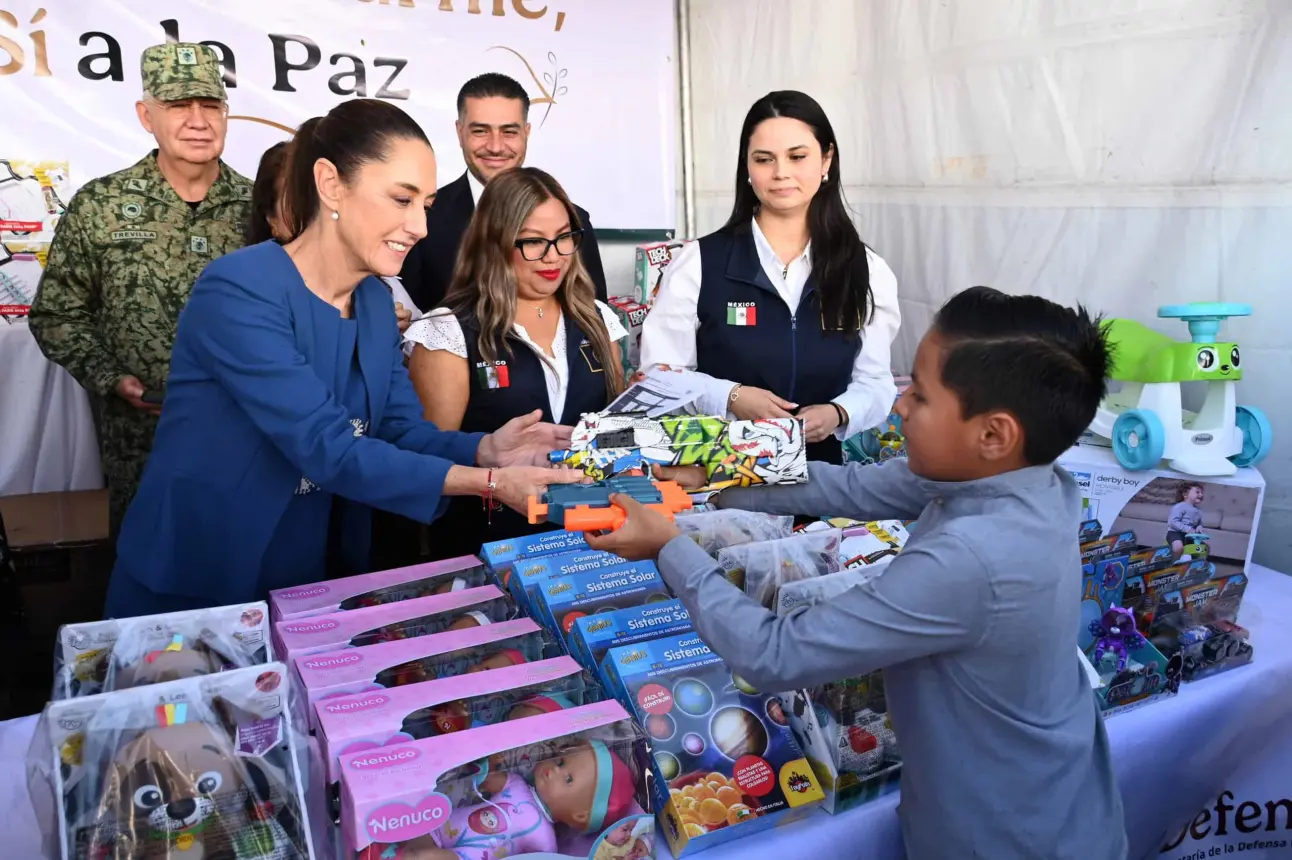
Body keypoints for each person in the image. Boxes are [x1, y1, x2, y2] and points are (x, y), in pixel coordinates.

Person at [590, 287, 1128, 860]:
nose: (899, 406)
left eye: (919, 395)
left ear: (993, 434)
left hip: (1006, 834)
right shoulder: (1032, 479)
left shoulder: (971, 558)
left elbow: (775, 655)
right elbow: (854, 486)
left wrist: (669, 546)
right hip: (1053, 794)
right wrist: (716, 476)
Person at [104, 98, 585, 619]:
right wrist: (491, 484)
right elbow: (327, 447)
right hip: (209, 570)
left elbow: (400, 429)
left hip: (315, 569)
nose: (420, 226)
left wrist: (487, 450)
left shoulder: (375, 299)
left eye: (424, 204)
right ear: (331, 183)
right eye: (401, 199)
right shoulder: (239, 289)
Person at [29, 43, 253, 537]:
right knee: (147, 586)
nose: (198, 120)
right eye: (178, 105)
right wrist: (112, 378)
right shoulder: (101, 204)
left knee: (247, 577)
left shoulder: (259, 207)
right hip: (141, 446)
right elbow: (56, 315)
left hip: (247, 436)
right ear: (145, 115)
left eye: (210, 104)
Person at [639, 90, 900, 464]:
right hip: (718, 483)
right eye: (764, 159)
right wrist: (730, 395)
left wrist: (839, 412)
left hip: (820, 485)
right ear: (746, 166)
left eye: (797, 157)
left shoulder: (866, 269)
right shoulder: (699, 263)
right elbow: (659, 375)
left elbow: (875, 382)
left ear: (826, 159)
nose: (781, 173)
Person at [403, 167, 627, 559]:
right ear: (494, 243)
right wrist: (491, 462)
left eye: (564, 238)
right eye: (533, 242)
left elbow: (615, 432)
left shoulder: (596, 318)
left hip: (596, 550)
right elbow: (427, 462)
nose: (553, 256)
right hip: (484, 554)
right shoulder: (447, 331)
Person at [398, 73, 608, 311]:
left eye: (509, 132)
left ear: (526, 133)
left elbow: (595, 319)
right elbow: (406, 318)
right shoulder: (423, 217)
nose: (495, 147)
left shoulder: (573, 220)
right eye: (480, 131)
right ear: (459, 132)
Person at [247, 126, 419, 331]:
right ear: (271, 219)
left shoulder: (378, 289)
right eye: (297, 202)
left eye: (322, 199)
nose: (315, 212)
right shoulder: (244, 285)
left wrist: (401, 334)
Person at [1167, 482, 1206, 559]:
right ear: (1185, 495)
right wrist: (1187, 529)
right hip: (1175, 533)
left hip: (1191, 535)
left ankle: (1194, 564)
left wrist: (1199, 527)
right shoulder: (1179, 506)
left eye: (1202, 493)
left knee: (1202, 548)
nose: (1201, 495)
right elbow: (1172, 522)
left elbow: (1199, 523)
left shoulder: (1198, 511)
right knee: (1178, 547)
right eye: (1197, 492)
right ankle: (1174, 562)